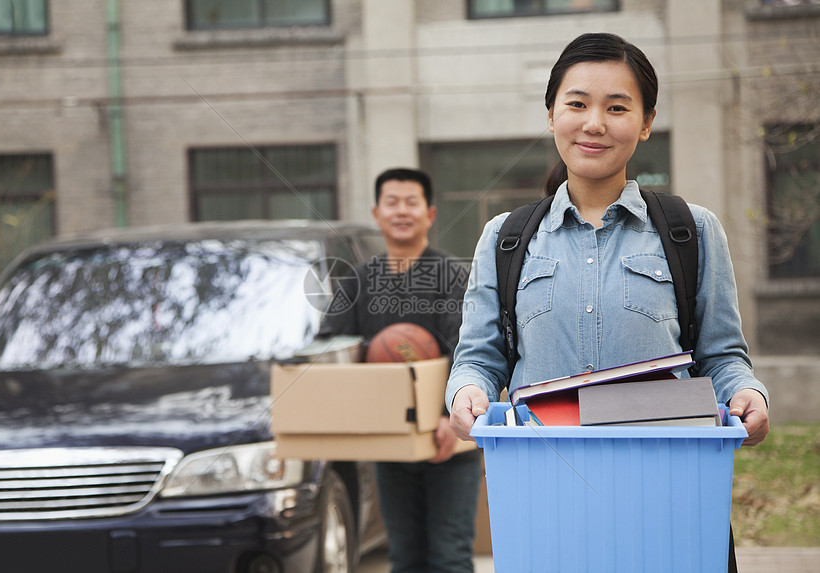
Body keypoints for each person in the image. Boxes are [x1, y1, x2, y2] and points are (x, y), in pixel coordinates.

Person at [446, 32, 770, 572]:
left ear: (645, 123)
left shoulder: (691, 231)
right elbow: (479, 357)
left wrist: (748, 394)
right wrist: (467, 393)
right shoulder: (504, 239)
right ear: (551, 115)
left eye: (617, 107)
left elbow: (722, 356)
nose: (594, 123)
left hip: (667, 496)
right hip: (543, 497)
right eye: (577, 104)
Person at [321, 167, 482, 573]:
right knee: (405, 558)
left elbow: (469, 350)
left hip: (449, 440)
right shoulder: (358, 282)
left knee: (449, 556)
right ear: (377, 214)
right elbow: (330, 348)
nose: (401, 211)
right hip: (391, 442)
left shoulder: (450, 276)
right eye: (392, 203)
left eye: (411, 203)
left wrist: (450, 417)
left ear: (429, 214)